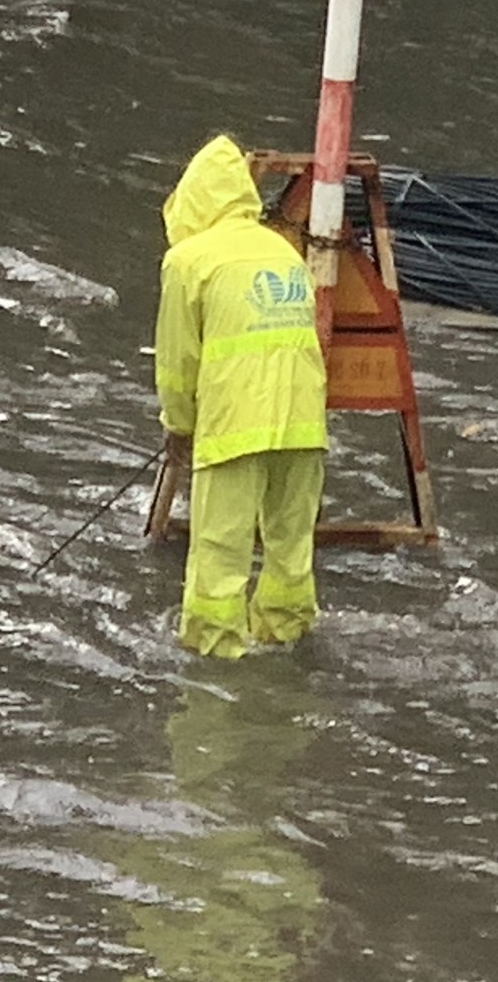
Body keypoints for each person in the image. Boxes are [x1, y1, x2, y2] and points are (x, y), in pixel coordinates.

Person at [155, 135, 329, 659]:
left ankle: (214, 656)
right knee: (291, 548)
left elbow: (177, 361)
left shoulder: (189, 260)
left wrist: (178, 428)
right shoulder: (284, 250)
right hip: (304, 423)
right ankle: (288, 637)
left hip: (233, 427)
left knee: (219, 550)